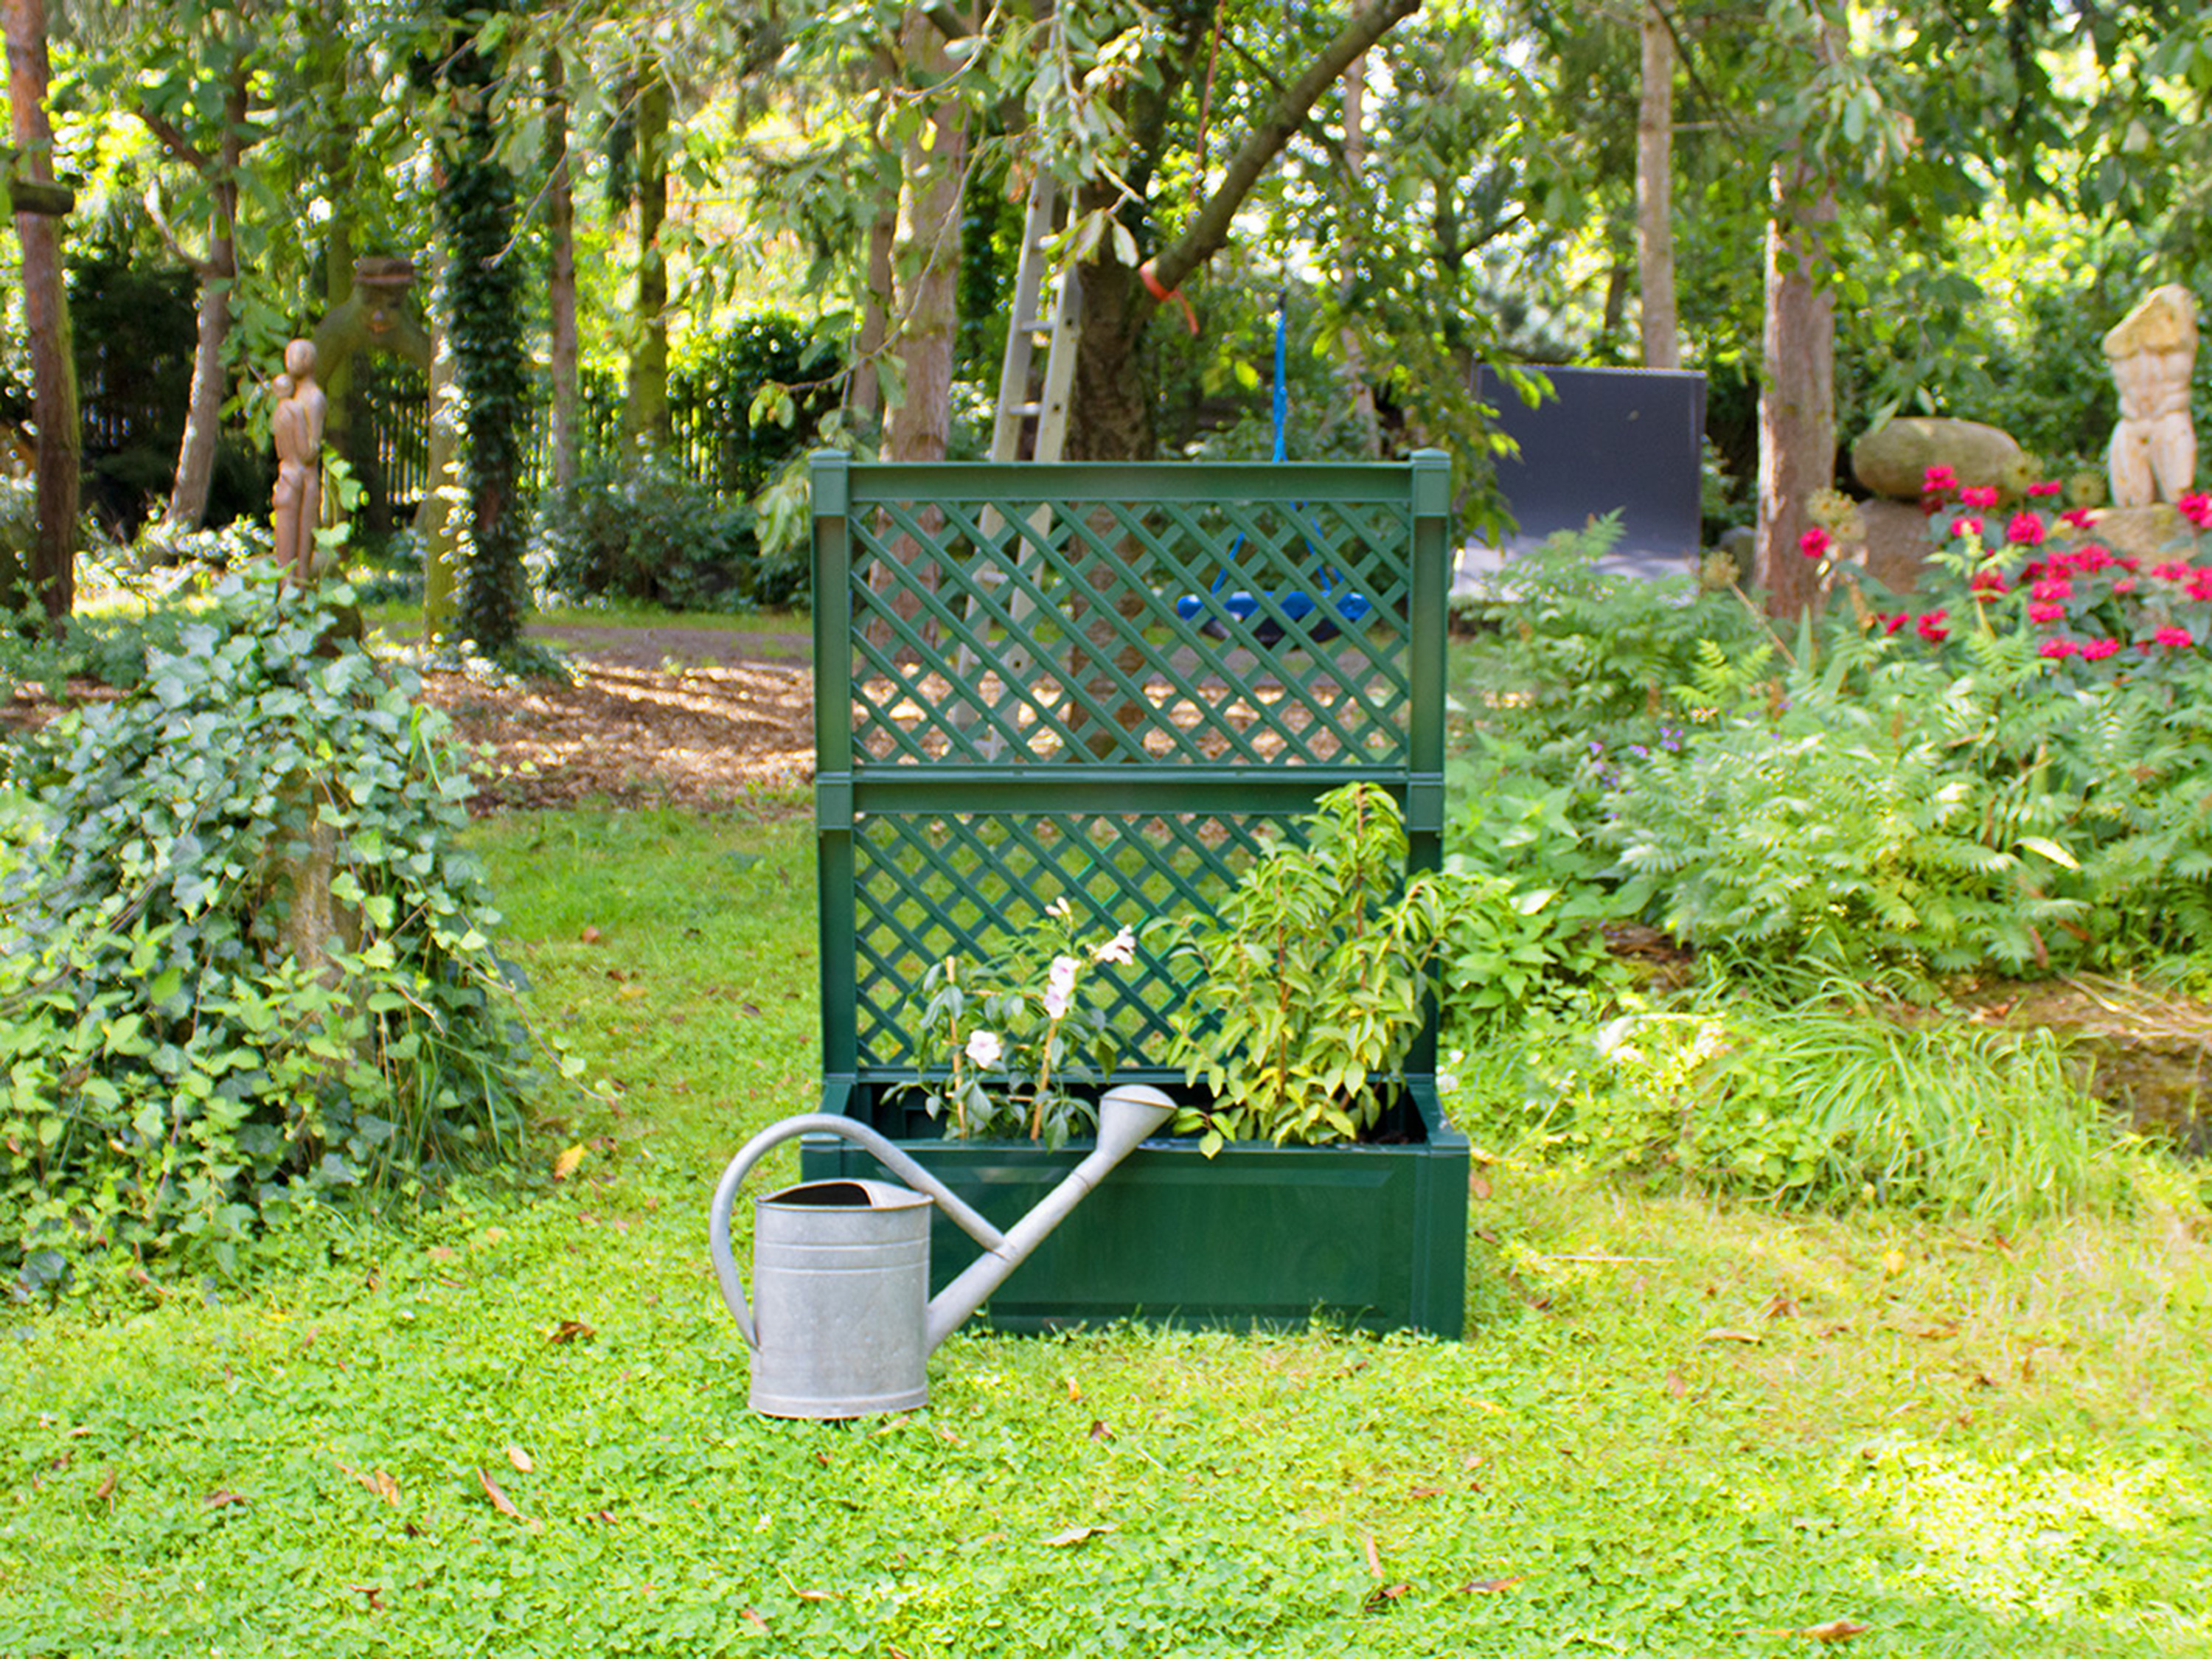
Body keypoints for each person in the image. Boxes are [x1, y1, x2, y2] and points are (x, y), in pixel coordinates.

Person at [2103, 284, 2197, 508]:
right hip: (2131, 423)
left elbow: (2183, 336)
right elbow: (2111, 345)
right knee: (2131, 502)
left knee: (2179, 499)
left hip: (2169, 419)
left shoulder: (2180, 344)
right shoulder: (2126, 342)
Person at [270, 338, 327, 581]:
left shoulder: (313, 398)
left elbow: (309, 453)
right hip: (292, 478)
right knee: (286, 553)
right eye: (289, 355)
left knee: (301, 555)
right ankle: (288, 593)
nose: (290, 361)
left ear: (308, 360)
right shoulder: (292, 401)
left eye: (296, 355)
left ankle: (297, 594)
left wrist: (296, 421)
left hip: (304, 480)